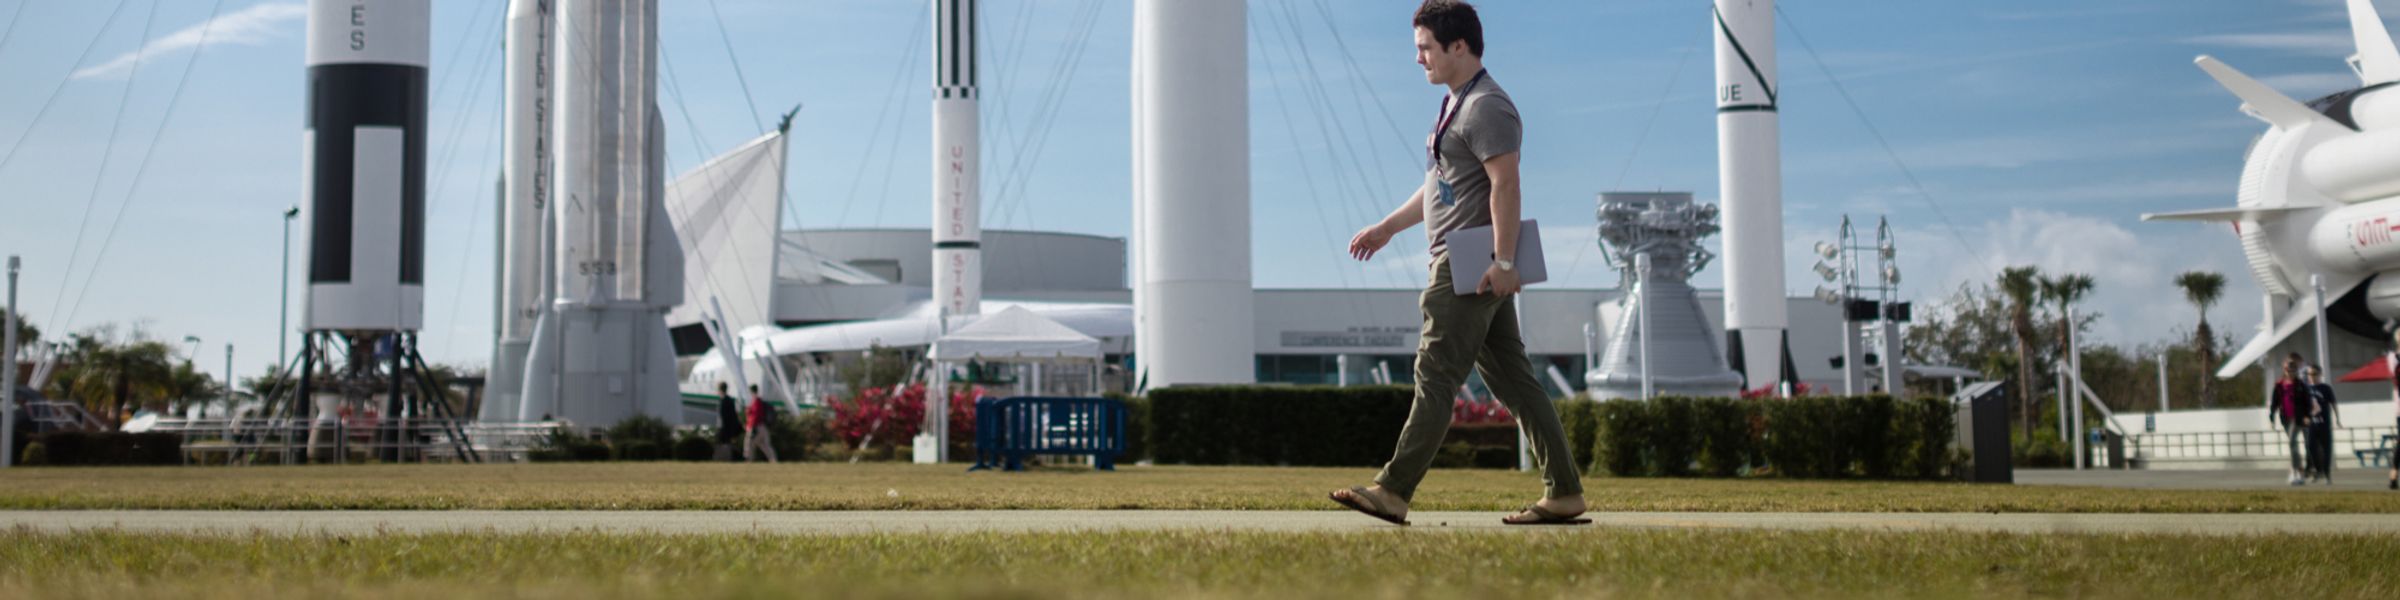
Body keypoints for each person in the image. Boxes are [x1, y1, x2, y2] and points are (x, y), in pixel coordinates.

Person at [1329, 0, 1585, 526]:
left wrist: (1506, 260)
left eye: (1425, 48)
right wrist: (1386, 228)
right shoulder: (1455, 106)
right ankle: (1564, 493)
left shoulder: (1487, 105)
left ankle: (1394, 489)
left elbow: (1505, 184)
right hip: (1472, 260)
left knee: (1436, 372)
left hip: (1468, 263)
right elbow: (1439, 187)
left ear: (1459, 46)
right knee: (1515, 382)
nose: (1418, 59)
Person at [2270, 353, 2307, 486]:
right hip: (2285, 418)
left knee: (2292, 442)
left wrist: (2307, 415)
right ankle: (2299, 469)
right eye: (2287, 370)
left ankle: (2296, 471)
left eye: (2293, 370)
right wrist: (2272, 417)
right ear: (2284, 370)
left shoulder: (2300, 385)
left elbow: (2306, 401)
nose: (2290, 372)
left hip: (2298, 419)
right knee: (2294, 445)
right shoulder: (2279, 385)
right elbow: (2275, 402)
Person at [2305, 365, 2340, 484]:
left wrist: (2337, 418)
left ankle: (2326, 473)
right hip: (2312, 424)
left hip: (2324, 423)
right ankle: (2318, 470)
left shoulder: (2325, 388)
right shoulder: (2306, 389)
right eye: (2309, 374)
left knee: (2326, 449)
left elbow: (2333, 403)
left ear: (2320, 374)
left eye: (2314, 374)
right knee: (2311, 447)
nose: (2312, 377)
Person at [744, 384, 779, 463]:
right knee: (765, 445)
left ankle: (748, 461)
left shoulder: (756, 402)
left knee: (750, 444)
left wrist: (748, 413)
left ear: (751, 392)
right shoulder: (758, 401)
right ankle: (773, 460)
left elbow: (756, 416)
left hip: (756, 427)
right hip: (762, 427)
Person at [714, 382, 740, 462]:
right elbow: (734, 416)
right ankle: (726, 459)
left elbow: (724, 417)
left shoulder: (723, 401)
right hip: (728, 428)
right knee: (727, 445)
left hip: (724, 428)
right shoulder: (730, 400)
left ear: (720, 390)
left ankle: (722, 459)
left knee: (723, 445)